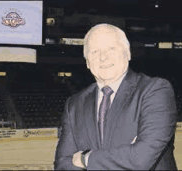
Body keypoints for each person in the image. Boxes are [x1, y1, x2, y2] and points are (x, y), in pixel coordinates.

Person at [54, 23, 178, 170]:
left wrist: (84, 158)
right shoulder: (74, 104)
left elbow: (140, 159)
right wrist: (126, 154)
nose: (103, 57)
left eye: (111, 49)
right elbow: (63, 164)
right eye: (94, 52)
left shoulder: (155, 90)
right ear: (87, 62)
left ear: (128, 53)